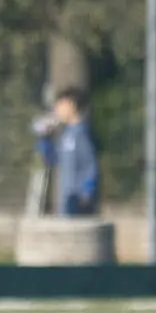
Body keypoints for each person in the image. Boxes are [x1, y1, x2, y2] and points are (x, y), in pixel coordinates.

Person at [35, 87, 100, 216]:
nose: (57, 109)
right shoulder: (66, 134)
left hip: (79, 201)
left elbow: (91, 166)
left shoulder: (82, 134)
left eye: (60, 104)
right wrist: (45, 138)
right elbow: (53, 159)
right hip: (66, 200)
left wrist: (87, 193)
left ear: (72, 105)